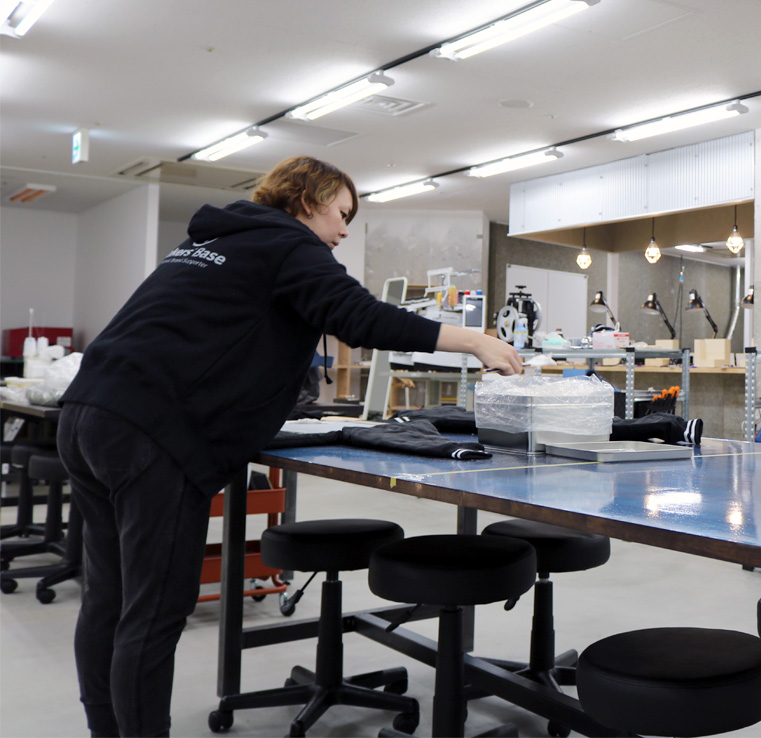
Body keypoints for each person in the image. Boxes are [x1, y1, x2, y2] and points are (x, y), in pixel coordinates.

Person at [56, 155, 522, 737]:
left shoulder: (216, 243)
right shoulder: (287, 245)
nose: (345, 230)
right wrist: (472, 339)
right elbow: (358, 318)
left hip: (87, 414)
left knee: (108, 600)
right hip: (153, 434)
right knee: (150, 615)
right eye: (342, 213)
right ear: (308, 199)